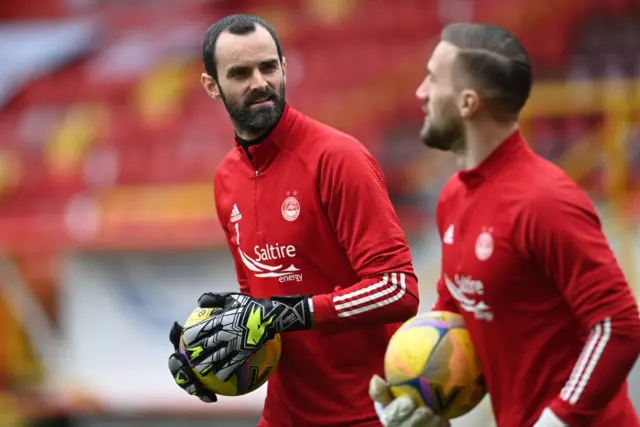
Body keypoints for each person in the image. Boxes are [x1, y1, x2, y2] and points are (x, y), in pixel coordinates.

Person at [370, 23, 640, 427]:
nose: (420, 93)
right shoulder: (453, 197)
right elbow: (455, 307)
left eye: (432, 78)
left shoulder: (545, 200)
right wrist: (418, 394)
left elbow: (617, 323)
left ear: (467, 103)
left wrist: (558, 420)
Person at [166, 14, 420, 427]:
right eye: (240, 73)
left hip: (368, 414)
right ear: (211, 86)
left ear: (285, 67)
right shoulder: (225, 180)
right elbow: (259, 309)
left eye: (268, 67)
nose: (259, 82)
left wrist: (292, 312)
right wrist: (207, 358)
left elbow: (398, 290)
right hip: (283, 416)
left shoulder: (339, 159)